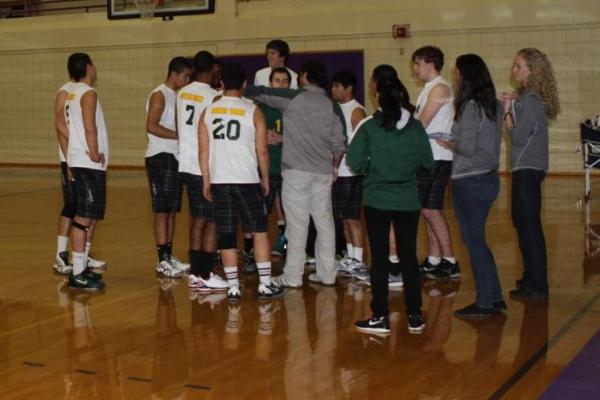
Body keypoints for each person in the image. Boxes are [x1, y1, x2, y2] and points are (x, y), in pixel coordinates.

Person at [245, 60, 346, 288]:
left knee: (297, 225)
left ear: (304, 76)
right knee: (324, 223)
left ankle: (292, 277)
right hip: (322, 173)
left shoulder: (292, 97)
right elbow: (340, 144)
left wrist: (234, 89)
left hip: (296, 172)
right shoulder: (332, 105)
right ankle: (327, 274)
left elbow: (260, 93)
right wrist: (335, 166)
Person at [348, 76, 433, 335]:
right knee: (409, 258)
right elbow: (428, 163)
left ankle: (380, 316)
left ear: (379, 100)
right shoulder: (416, 128)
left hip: (377, 200)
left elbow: (355, 162)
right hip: (407, 201)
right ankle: (415, 315)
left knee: (381, 259)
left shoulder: (370, 128)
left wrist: (374, 167)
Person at [199, 62, 283, 300]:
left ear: (221, 83)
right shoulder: (253, 110)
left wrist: (206, 179)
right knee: (258, 231)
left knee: (226, 234)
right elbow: (262, 151)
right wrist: (265, 178)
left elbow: (203, 151)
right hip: (247, 179)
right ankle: (265, 284)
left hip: (220, 180)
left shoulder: (209, 111)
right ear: (245, 84)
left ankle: (234, 286)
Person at [437, 54, 504, 318]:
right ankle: (494, 297)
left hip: (470, 180)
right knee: (478, 241)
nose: (455, 77)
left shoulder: (469, 106)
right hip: (488, 177)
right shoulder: (495, 106)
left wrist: (448, 142)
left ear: (466, 75)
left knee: (473, 241)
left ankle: (486, 301)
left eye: (457, 73)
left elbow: (467, 146)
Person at [501, 48, 560, 301]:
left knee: (529, 228)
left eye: (518, 66)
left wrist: (508, 115)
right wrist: (513, 105)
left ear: (531, 71)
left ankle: (536, 285)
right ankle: (530, 278)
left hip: (527, 170)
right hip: (525, 169)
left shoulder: (532, 100)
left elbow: (517, 136)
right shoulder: (528, 99)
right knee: (523, 225)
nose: (514, 70)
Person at [177, 51, 229, 292]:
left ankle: (196, 273)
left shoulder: (182, 93)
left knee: (197, 219)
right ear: (212, 70)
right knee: (213, 219)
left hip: (185, 163)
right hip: (204, 165)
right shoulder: (213, 97)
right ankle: (205, 273)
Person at [412, 46, 460, 279]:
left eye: (417, 63)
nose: (415, 68)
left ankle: (450, 260)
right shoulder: (428, 89)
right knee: (427, 208)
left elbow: (421, 124)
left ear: (429, 63)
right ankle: (433, 258)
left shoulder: (440, 87)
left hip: (438, 156)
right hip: (428, 155)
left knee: (431, 209)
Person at [53, 71, 106, 274]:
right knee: (73, 206)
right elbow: (59, 125)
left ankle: (83, 256)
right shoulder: (66, 91)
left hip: (82, 158)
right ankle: (61, 255)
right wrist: (69, 157)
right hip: (74, 158)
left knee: (89, 210)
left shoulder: (81, 92)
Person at [64, 53, 108, 291]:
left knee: (89, 216)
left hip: (80, 161)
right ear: (90, 67)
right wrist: (94, 152)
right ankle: (77, 272)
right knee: (83, 218)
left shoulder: (72, 93)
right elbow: (89, 126)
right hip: (87, 163)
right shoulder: (87, 93)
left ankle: (82, 268)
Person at [145, 56, 192, 278]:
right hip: (160, 156)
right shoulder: (159, 95)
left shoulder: (179, 96)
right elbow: (152, 126)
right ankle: (161, 258)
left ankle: (169, 254)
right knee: (162, 210)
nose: (187, 80)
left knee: (172, 209)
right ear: (174, 74)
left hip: (174, 156)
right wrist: (181, 136)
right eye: (185, 76)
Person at [330, 70, 367, 274]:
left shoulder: (356, 111)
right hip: (339, 172)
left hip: (351, 173)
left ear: (349, 88)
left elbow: (361, 144)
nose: (333, 90)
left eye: (337, 86)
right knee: (343, 217)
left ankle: (358, 259)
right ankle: (350, 256)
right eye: (333, 86)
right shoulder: (335, 109)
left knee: (352, 216)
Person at [262, 67, 291, 255]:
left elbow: (306, 136)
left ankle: (291, 243)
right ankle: (257, 253)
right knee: (263, 211)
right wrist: (261, 136)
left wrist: (283, 138)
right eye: (277, 81)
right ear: (270, 84)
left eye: (284, 81)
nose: (280, 84)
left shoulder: (295, 107)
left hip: (291, 167)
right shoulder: (261, 107)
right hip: (268, 167)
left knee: (292, 208)